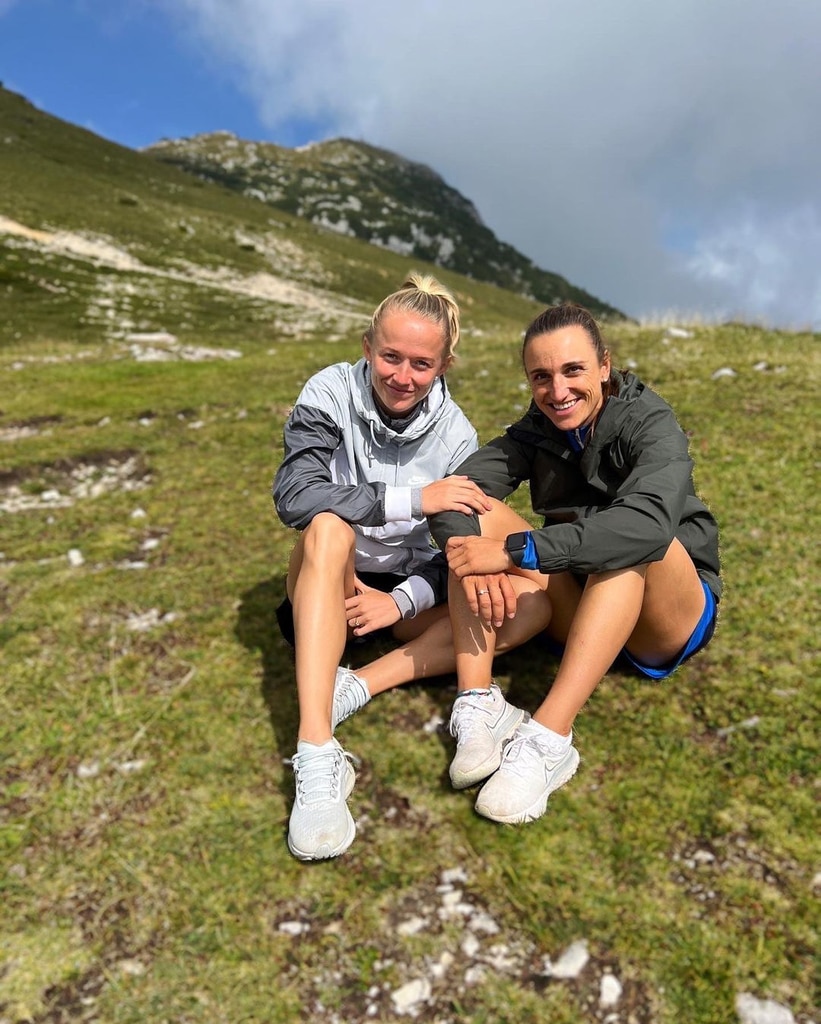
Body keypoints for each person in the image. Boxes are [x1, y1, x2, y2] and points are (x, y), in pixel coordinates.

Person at [423, 301, 722, 825]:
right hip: (584, 601)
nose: (557, 391)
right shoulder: (537, 429)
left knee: (628, 541)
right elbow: (457, 493)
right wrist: (475, 558)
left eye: (573, 370)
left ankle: (549, 740)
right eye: (541, 377)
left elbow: (648, 525)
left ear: (604, 366)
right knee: (478, 511)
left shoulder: (650, 422)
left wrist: (517, 552)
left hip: (665, 612)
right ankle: (478, 703)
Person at [272, 273, 491, 860]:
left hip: (407, 589)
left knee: (526, 608)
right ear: (367, 347)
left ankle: (355, 686)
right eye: (390, 356)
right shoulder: (329, 390)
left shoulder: (458, 435)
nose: (402, 376)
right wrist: (416, 499)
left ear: (445, 365)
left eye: (421, 363)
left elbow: (460, 554)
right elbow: (295, 495)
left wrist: (401, 600)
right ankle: (317, 757)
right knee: (325, 524)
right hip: (331, 574)